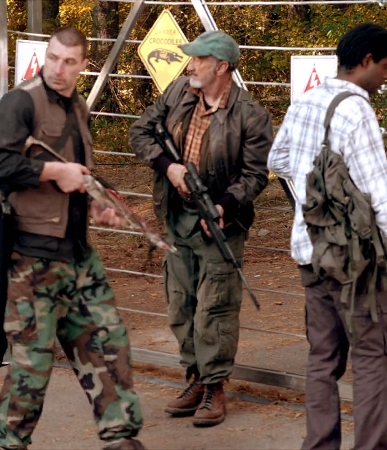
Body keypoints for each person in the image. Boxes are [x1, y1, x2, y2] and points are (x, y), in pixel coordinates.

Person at [0, 27, 145, 450]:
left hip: (78, 255)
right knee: (31, 365)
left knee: (108, 344)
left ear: (83, 65)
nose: (58, 68)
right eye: (52, 57)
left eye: (69, 61)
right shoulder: (21, 102)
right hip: (31, 258)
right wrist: (54, 173)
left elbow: (78, 173)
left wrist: (96, 201)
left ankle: (120, 437)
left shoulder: (79, 106)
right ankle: (12, 444)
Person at [267, 23, 387, 450]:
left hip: (309, 250)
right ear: (366, 60)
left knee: (323, 356)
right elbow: (379, 190)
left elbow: (277, 158)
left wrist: (313, 188)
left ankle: (320, 445)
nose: (385, 77)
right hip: (355, 260)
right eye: (385, 66)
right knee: (372, 357)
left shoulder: (306, 101)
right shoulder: (357, 111)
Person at [128, 30, 273, 427]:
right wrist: (169, 167)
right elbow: (140, 132)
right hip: (177, 216)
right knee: (181, 304)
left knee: (216, 307)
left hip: (219, 223)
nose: (190, 64)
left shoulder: (251, 115)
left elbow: (255, 175)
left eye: (199, 59)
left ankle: (214, 386)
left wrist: (224, 206)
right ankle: (195, 377)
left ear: (222, 67)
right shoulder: (179, 93)